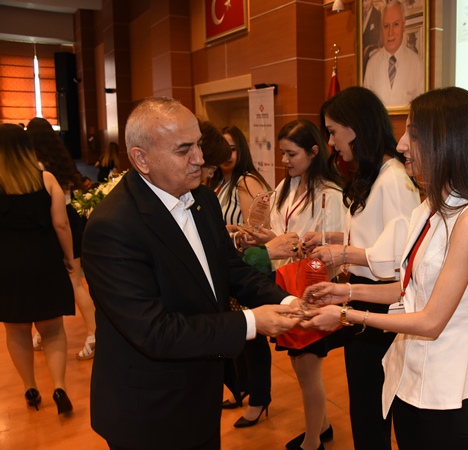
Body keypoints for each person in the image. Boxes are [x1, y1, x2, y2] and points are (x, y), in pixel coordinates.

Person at [81, 97, 302, 450]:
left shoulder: (202, 200)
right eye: (184, 150)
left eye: (198, 144)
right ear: (141, 159)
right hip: (148, 409)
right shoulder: (113, 227)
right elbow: (155, 331)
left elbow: (230, 269)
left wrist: (289, 302)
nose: (199, 158)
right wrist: (252, 322)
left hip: (200, 391)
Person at [305, 87, 468, 450]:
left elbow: (431, 321)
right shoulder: (429, 207)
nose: (400, 145)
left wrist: (347, 315)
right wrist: (346, 292)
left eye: (412, 134)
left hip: (446, 383)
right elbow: (408, 288)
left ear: (445, 141)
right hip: (409, 370)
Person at [303, 86, 420, 450]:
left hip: (381, 302)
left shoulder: (394, 178)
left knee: (371, 409)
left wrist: (343, 254)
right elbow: (375, 235)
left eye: (333, 131)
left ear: (355, 127)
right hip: (362, 295)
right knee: (364, 404)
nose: (331, 142)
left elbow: (398, 255)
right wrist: (334, 240)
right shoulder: (375, 174)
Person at [244, 119, 346, 450]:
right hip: (285, 285)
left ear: (314, 152)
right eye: (282, 153)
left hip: (312, 290)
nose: (284, 160)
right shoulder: (284, 188)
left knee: (307, 368)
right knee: (299, 363)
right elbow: (281, 234)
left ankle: (313, 442)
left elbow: (336, 251)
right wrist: (269, 240)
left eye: (291, 154)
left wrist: (301, 245)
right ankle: (323, 427)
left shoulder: (330, 194)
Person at [204, 124, 279, 428]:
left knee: (253, 336)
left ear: (242, 150)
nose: (227, 155)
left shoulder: (246, 181)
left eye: (232, 148)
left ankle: (260, 398)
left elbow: (258, 230)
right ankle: (243, 387)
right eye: (222, 149)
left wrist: (233, 235)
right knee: (238, 334)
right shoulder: (219, 182)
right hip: (231, 266)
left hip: (249, 266)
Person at [0, 123, 75, 415]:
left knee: (16, 331)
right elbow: (61, 224)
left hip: (6, 265)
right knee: (53, 330)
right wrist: (69, 257)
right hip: (44, 261)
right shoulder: (46, 179)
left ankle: (30, 388)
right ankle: (59, 387)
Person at [26, 117, 97, 361]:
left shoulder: (35, 167)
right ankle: (46, 332)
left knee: (70, 282)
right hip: (69, 221)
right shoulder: (61, 159)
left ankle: (94, 332)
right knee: (73, 281)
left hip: (53, 226)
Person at [363, 0, 424, 108]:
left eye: (396, 24)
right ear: (381, 29)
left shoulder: (417, 63)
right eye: (386, 26)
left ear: (403, 26)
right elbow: (367, 108)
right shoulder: (372, 64)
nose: (390, 32)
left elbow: (422, 109)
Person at [362, 0, 382, 72]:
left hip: (370, 49)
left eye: (366, 1)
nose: (364, 4)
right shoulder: (361, 16)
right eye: (363, 2)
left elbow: (377, 37)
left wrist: (367, 48)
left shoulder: (377, 14)